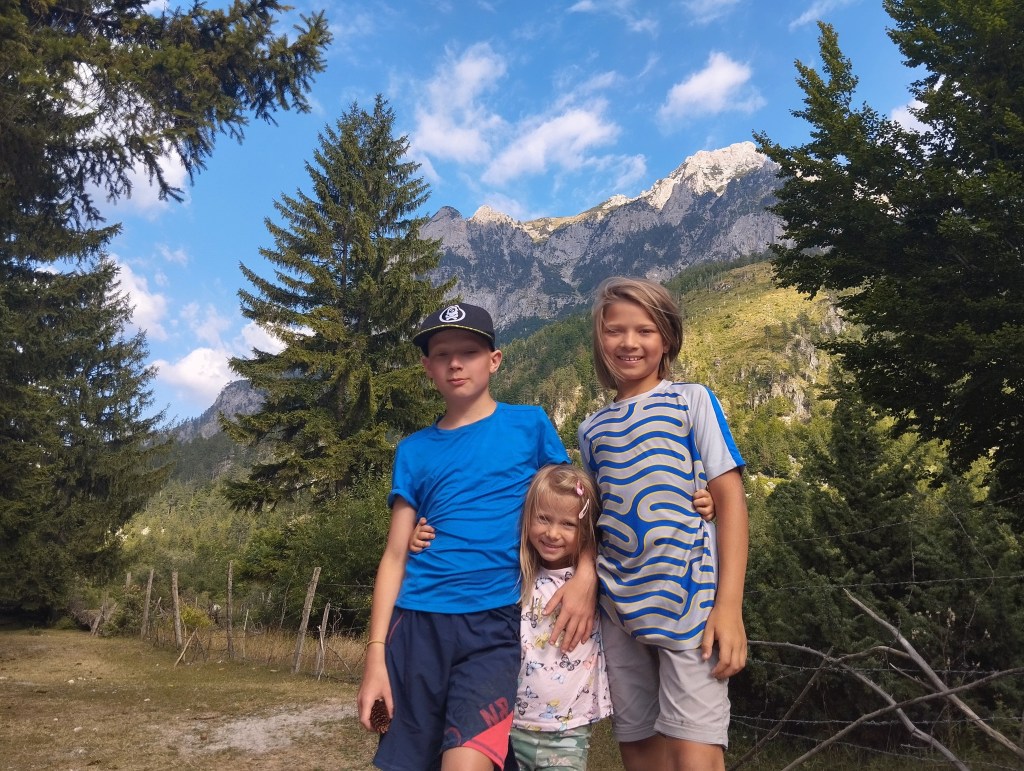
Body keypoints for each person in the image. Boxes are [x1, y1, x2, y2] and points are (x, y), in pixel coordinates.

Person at [356, 302, 597, 771]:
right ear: (427, 367)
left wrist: (586, 575)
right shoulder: (413, 450)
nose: (455, 363)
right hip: (416, 627)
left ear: (494, 360)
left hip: (494, 627)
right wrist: (375, 657)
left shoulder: (530, 425)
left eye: (468, 351)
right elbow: (394, 556)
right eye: (441, 354)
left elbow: (576, 506)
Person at [412, 465, 716, 771]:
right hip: (509, 724)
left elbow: (642, 544)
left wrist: (697, 507)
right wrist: (420, 538)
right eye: (543, 519)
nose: (552, 533)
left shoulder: (600, 578)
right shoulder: (516, 573)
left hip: (569, 731)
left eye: (568, 524)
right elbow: (470, 551)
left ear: (585, 530)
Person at [577, 277, 749, 771]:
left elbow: (730, 501)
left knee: (696, 753)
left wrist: (729, 607)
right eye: (614, 330)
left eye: (645, 330)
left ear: (667, 338)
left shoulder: (692, 400)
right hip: (618, 611)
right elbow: (596, 520)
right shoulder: (590, 430)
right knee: (639, 750)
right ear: (599, 339)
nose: (628, 342)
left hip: (691, 604)